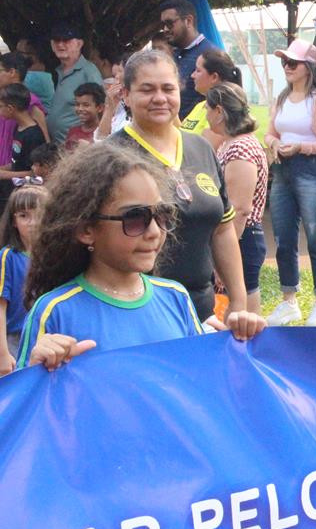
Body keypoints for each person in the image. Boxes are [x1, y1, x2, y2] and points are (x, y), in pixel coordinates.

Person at [18, 144, 264, 371]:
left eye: (162, 214)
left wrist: (239, 342)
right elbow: (21, 407)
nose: (155, 232)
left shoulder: (175, 297)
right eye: (135, 218)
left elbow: (198, 382)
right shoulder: (55, 311)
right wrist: (38, 367)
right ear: (86, 230)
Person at [109, 49, 246, 322]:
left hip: (202, 313)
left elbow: (222, 230)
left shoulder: (201, 147)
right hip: (136, 314)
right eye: (147, 89)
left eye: (168, 89)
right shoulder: (111, 156)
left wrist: (239, 302)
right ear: (126, 95)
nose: (159, 98)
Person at [263, 39, 316, 327]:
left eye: (292, 63)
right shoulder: (281, 99)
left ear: (308, 68)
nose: (287, 67)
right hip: (283, 170)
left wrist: (300, 148)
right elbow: (269, 133)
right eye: (284, 62)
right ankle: (289, 300)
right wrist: (276, 144)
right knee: (283, 238)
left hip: (313, 171)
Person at [208, 83, 268, 314]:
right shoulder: (232, 144)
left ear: (219, 111)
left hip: (241, 238)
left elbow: (240, 208)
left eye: (208, 109)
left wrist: (225, 260)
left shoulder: (240, 148)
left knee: (239, 304)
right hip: (240, 238)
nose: (206, 116)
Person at [0, 185, 43, 376]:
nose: (32, 222)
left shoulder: (54, 256)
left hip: (44, 335)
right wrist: (2, 353)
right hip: (14, 338)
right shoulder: (8, 256)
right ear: (13, 221)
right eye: (23, 215)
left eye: (38, 214)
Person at [46, 22, 103, 145]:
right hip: (56, 146)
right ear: (51, 45)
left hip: (77, 147)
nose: (60, 44)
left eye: (66, 40)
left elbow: (100, 109)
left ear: (79, 44)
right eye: (56, 40)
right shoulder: (57, 70)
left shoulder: (89, 72)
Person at [159, 0, 216, 119]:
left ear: (188, 21)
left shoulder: (211, 55)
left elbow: (224, 103)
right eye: (163, 25)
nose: (165, 29)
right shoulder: (173, 55)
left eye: (169, 23)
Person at [183, 48, 243, 150]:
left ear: (214, 77)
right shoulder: (200, 106)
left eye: (198, 70)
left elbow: (205, 152)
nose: (192, 75)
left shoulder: (223, 111)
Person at [0, 84, 47, 211]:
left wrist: (5, 175)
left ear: (10, 108)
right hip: (12, 187)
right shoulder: (19, 128)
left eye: (0, 106)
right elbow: (18, 160)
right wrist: (4, 169)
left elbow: (37, 171)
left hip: (26, 192)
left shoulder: (33, 136)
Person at [0, 51, 48, 167]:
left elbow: (45, 145)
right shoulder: (2, 99)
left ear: (12, 72)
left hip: (16, 170)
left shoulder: (29, 102)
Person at [95, 53, 131, 141]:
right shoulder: (119, 105)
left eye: (120, 72)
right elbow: (100, 139)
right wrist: (109, 107)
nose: (117, 79)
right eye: (114, 76)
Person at [14, 36, 55, 111]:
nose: (16, 55)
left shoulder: (36, 78)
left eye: (20, 53)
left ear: (34, 55)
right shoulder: (40, 72)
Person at [64, 82, 105, 150]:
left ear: (100, 108)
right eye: (77, 104)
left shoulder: (106, 132)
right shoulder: (73, 132)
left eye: (86, 105)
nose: (80, 109)